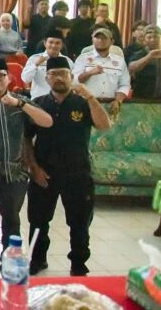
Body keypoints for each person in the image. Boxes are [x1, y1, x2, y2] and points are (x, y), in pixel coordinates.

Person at [0, 58, 53, 278]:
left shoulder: (21, 102)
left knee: (12, 220)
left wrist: (19, 104)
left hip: (16, 174)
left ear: (9, 78)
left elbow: (47, 121)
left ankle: (9, 263)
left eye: (1, 75)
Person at [24, 56, 111, 277]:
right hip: (45, 172)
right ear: (47, 78)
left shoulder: (83, 102)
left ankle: (78, 263)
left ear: (71, 77)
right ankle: (37, 259)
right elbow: (25, 139)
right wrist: (34, 168)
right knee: (38, 220)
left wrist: (90, 97)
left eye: (63, 73)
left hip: (77, 172)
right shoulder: (38, 104)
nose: (59, 78)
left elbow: (104, 125)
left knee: (80, 221)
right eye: (53, 74)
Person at [72, 28, 130, 110]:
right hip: (86, 104)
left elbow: (125, 84)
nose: (100, 40)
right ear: (92, 40)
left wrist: (118, 101)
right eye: (97, 38)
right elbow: (74, 82)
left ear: (112, 41)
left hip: (110, 106)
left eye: (104, 38)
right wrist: (90, 73)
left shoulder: (119, 61)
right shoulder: (82, 58)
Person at [22, 30, 74, 100]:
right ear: (45, 43)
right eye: (51, 42)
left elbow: (72, 82)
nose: (53, 45)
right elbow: (26, 79)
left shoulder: (68, 61)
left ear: (62, 45)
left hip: (61, 101)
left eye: (57, 43)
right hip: (38, 100)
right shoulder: (34, 59)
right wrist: (35, 65)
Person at [128, 26, 161, 100]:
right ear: (144, 40)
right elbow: (131, 68)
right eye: (149, 37)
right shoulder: (139, 54)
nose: (153, 40)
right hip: (142, 100)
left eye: (156, 37)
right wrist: (149, 57)